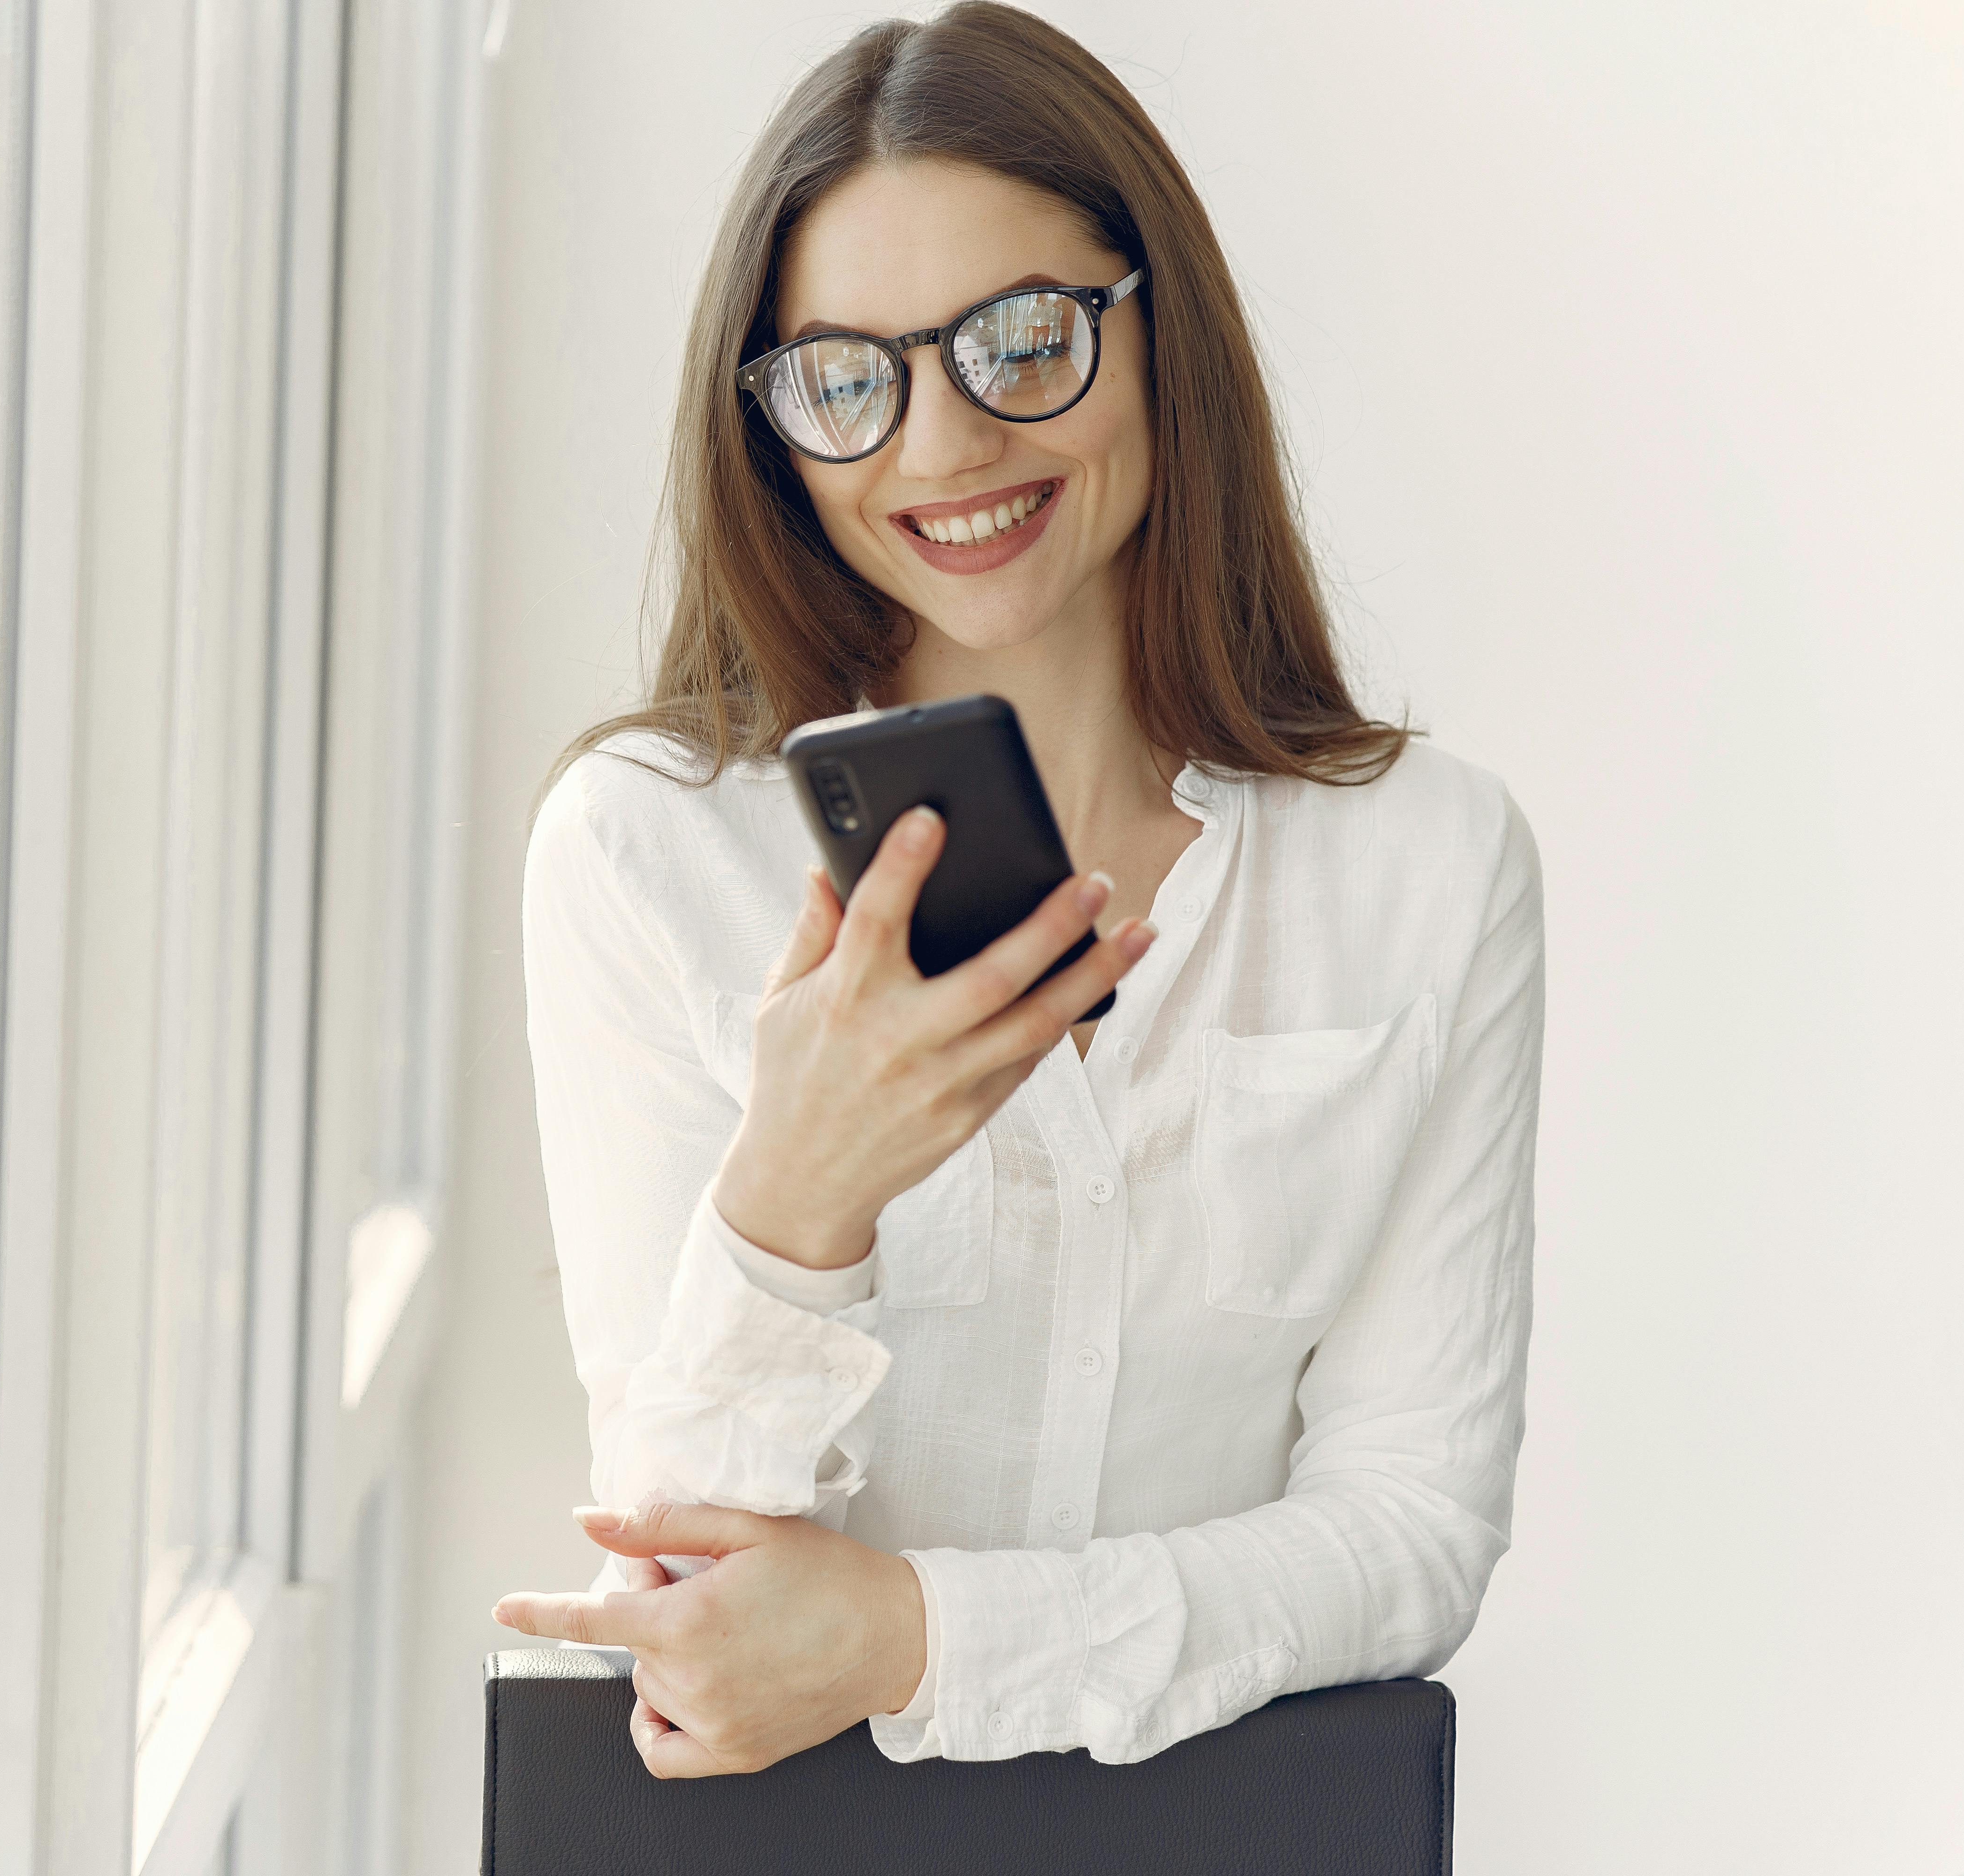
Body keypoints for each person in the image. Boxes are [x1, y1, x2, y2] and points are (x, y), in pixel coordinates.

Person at [493, 3, 1544, 1779]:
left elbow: (1413, 1531)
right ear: (775, 423)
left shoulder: (1427, 866)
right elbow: (682, 1604)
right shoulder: (646, 853)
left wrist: (919, 1640)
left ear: (1157, 332)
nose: (945, 446)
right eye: (849, 376)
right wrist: (795, 1198)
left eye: (1020, 340)